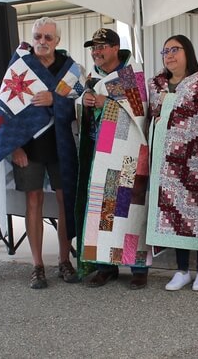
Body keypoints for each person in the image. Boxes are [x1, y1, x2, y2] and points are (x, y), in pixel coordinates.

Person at [0, 18, 83, 289]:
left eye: (48, 38)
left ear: (57, 41)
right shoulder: (20, 66)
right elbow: (4, 109)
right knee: (33, 201)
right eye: (38, 36)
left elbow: (81, 105)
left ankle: (65, 261)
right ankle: (37, 265)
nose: (42, 41)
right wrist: (13, 146)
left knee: (65, 202)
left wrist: (56, 99)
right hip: (27, 146)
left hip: (61, 144)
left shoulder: (70, 69)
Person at [77, 28, 152, 289]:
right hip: (103, 154)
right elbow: (87, 113)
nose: (96, 52)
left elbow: (138, 113)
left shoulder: (131, 77)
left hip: (129, 154)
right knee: (104, 210)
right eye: (93, 48)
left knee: (129, 209)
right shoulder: (92, 78)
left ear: (115, 48)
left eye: (101, 46)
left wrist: (103, 103)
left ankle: (138, 266)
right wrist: (85, 102)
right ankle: (105, 265)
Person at [146, 35, 198, 292]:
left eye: (175, 49)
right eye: (165, 50)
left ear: (188, 51)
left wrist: (168, 108)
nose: (169, 55)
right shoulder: (156, 85)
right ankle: (182, 270)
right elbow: (151, 115)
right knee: (174, 213)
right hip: (168, 163)